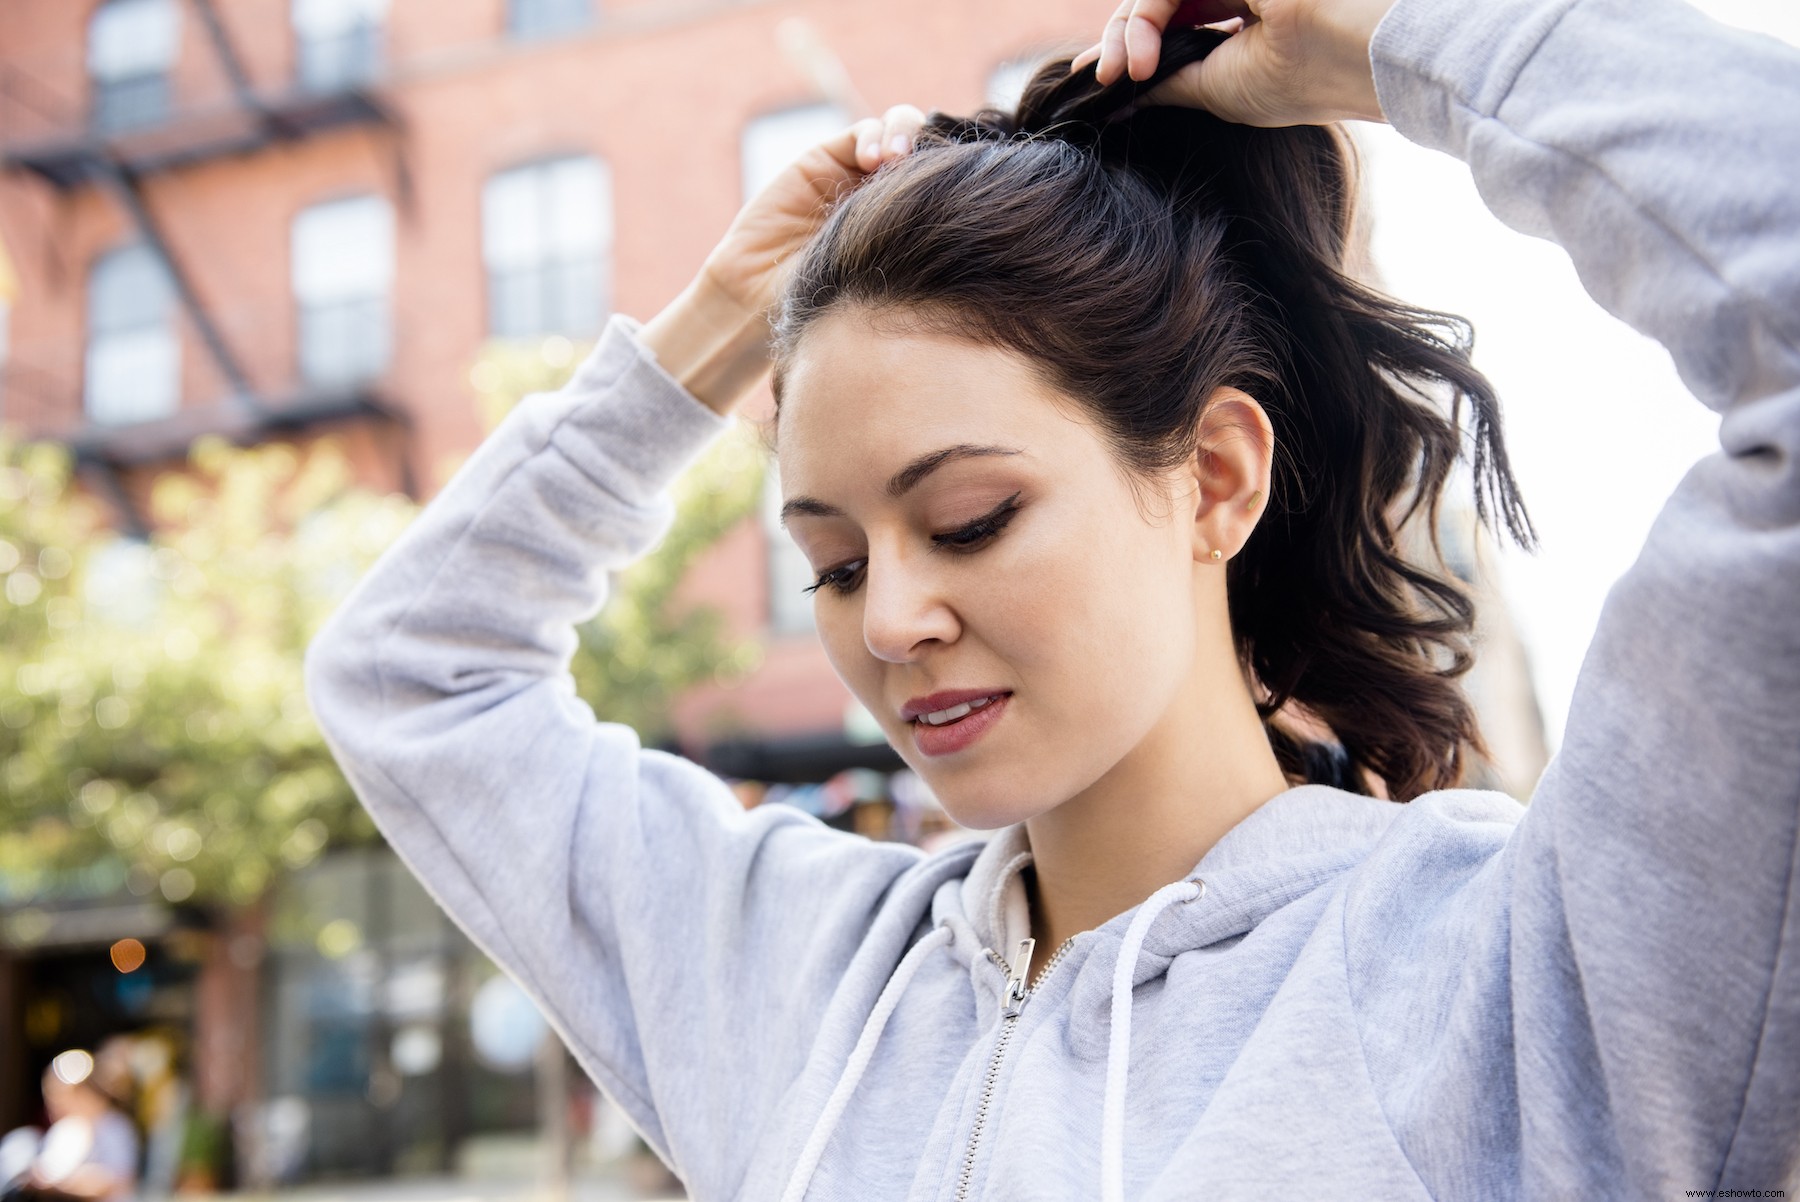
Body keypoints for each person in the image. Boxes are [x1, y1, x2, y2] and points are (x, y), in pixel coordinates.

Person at [302, 0, 1800, 1194]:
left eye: (971, 517)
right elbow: (414, 673)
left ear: (1213, 477)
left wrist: (1400, 34)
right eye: (829, 559)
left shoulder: (1514, 988)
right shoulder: (791, 976)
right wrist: (712, 330)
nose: (887, 622)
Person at [1, 1052, 140, 1202]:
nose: (54, 1106)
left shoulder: (115, 1128)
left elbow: (115, 1183)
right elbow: (45, 1172)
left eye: (59, 1096)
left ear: (82, 1092)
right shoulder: (67, 1129)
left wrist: (58, 1184)